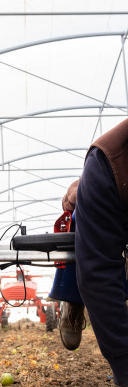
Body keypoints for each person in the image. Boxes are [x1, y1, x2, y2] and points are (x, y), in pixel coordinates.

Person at [58, 119, 128, 386]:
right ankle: (72, 303)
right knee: (77, 232)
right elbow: (98, 270)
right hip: (105, 209)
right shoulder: (109, 161)